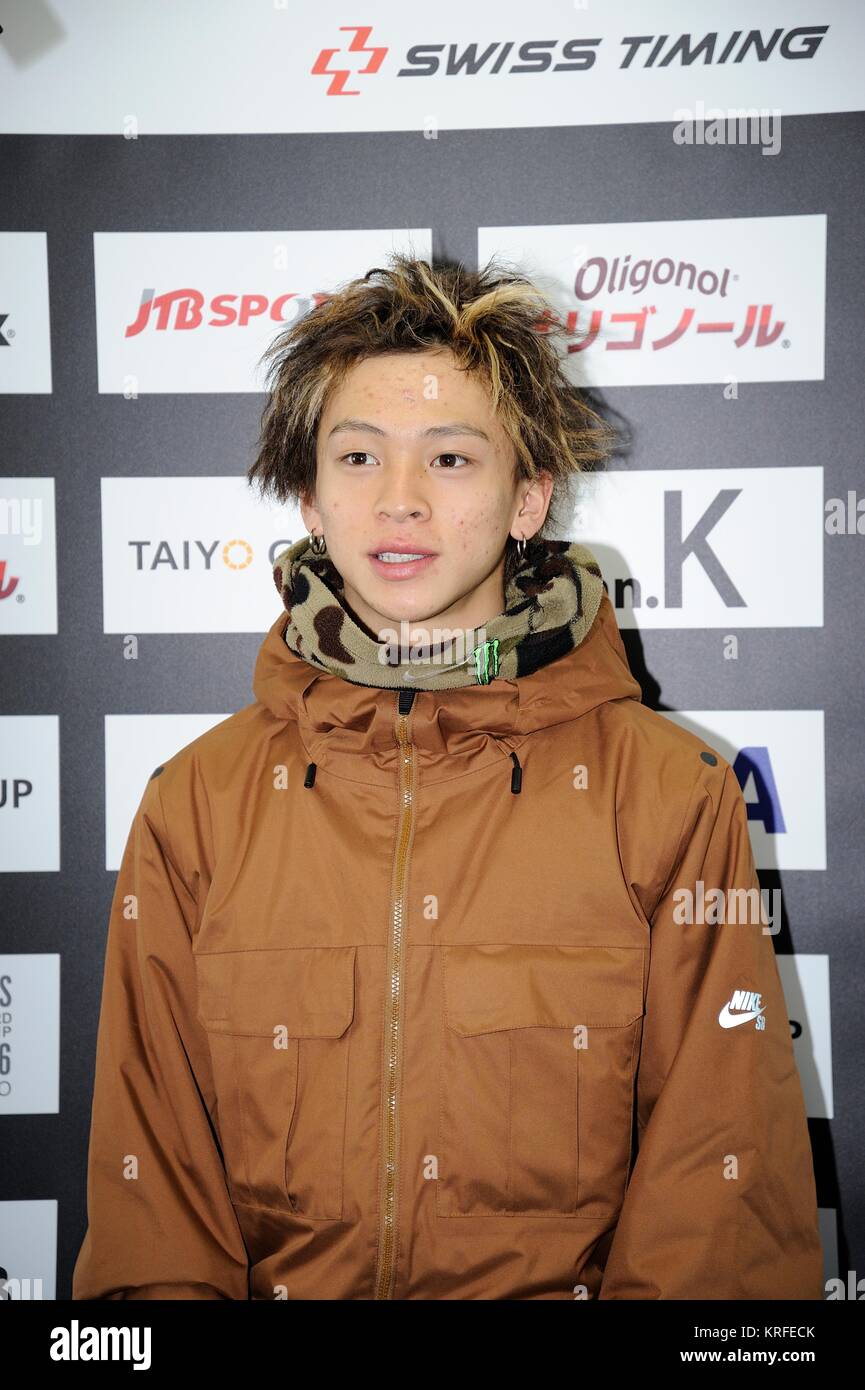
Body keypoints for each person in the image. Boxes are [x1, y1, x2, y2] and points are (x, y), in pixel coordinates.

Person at [72, 254, 823, 1300]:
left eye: (453, 459)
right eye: (359, 456)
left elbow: (718, 1216)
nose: (401, 501)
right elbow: (154, 1221)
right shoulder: (196, 803)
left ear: (528, 499)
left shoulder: (669, 794)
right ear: (309, 496)